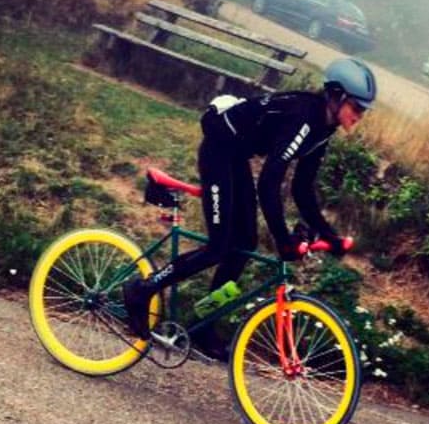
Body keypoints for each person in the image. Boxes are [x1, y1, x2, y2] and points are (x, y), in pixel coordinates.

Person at [122, 56, 377, 358]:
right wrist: (283, 240)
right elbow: (269, 183)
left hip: (236, 155)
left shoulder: (323, 127)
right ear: (336, 96)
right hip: (218, 149)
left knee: (244, 243)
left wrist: (329, 236)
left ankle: (204, 326)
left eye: (365, 110)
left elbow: (302, 189)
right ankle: (142, 289)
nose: (360, 115)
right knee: (219, 247)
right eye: (357, 107)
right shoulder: (304, 117)